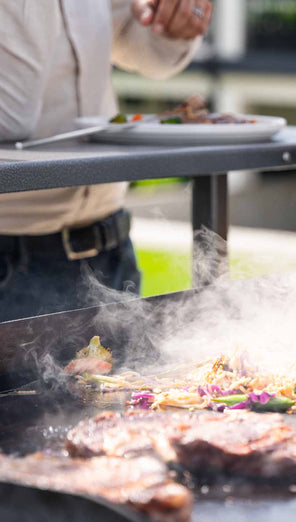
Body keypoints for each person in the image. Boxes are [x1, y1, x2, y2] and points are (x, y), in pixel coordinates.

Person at [0, 0, 213, 322]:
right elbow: (10, 121)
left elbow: (141, 48)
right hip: (12, 259)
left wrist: (172, 23)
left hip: (111, 247)